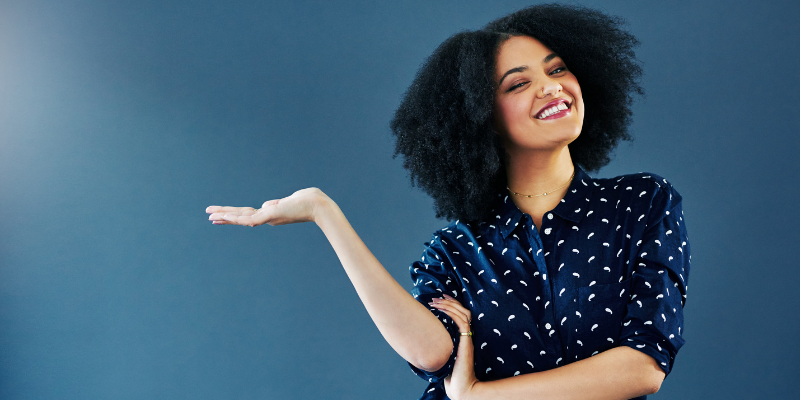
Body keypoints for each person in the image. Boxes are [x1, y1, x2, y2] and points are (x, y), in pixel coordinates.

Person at [206, 4, 690, 400]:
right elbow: (432, 353)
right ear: (483, 118)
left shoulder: (642, 202)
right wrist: (322, 212)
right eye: (518, 83)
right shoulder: (454, 250)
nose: (551, 87)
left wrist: (482, 398)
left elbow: (644, 366)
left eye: (558, 68)